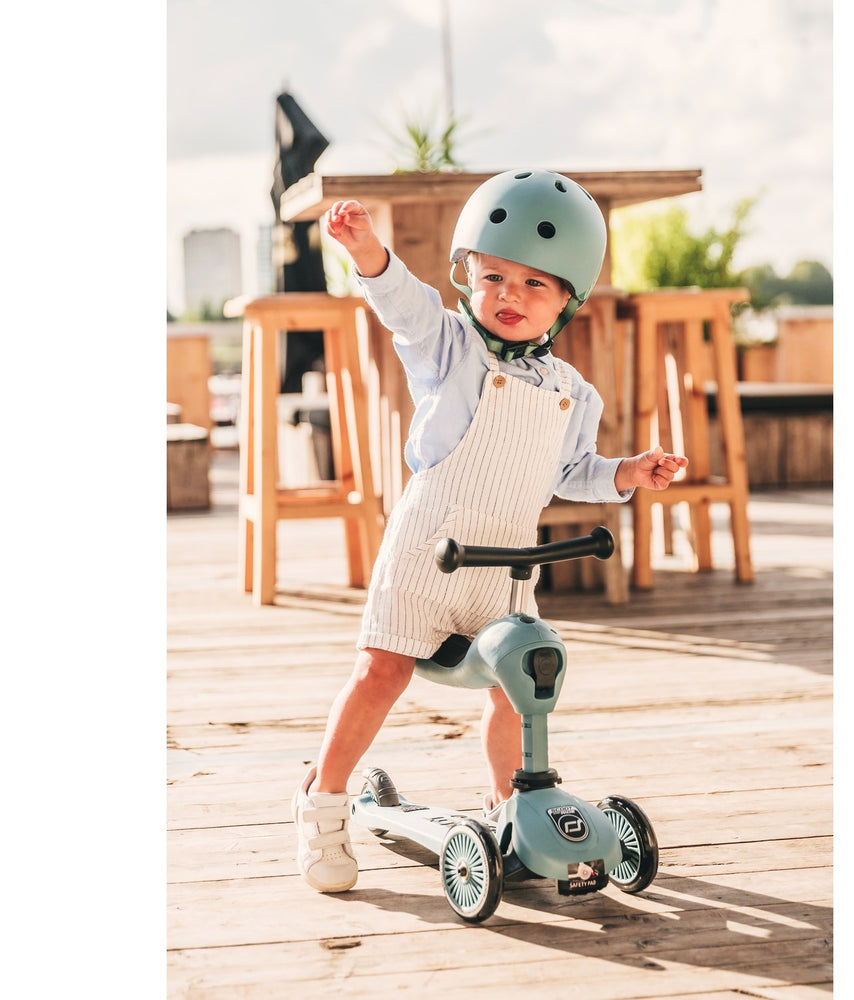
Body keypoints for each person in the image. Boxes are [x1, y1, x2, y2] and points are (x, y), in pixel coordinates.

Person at [292, 168, 689, 892]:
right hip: (428, 552)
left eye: (535, 284)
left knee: (517, 690)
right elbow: (405, 307)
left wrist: (628, 471)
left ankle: (514, 812)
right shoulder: (451, 348)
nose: (511, 295)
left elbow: (574, 473)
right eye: (494, 277)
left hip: (504, 572)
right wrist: (367, 252)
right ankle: (323, 802)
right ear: (468, 277)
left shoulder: (573, 392)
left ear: (567, 301)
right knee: (382, 672)